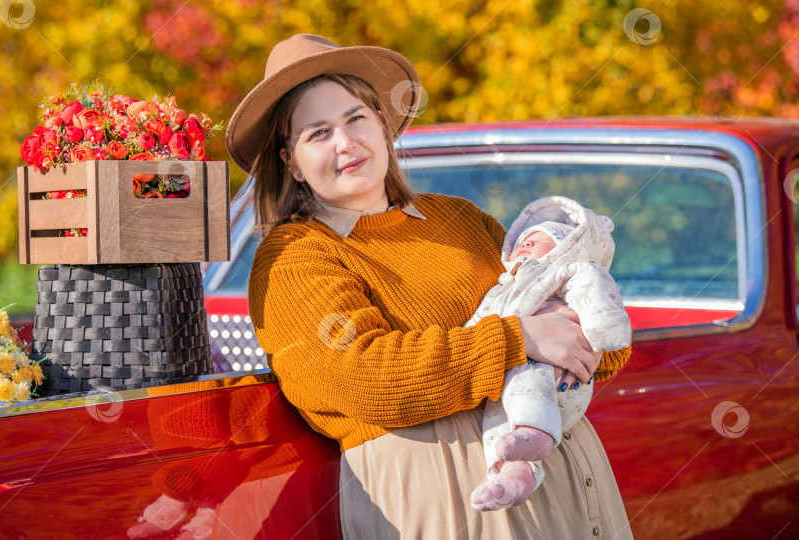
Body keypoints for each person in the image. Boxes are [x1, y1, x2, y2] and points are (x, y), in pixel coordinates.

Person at [226, 33, 634, 539]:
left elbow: (572, 319)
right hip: (445, 505)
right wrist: (517, 340)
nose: (346, 143)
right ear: (290, 161)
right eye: (318, 133)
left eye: (356, 119)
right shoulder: (295, 256)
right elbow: (355, 377)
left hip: (574, 486)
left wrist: (589, 336)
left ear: (382, 124)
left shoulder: (460, 219)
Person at [464, 196, 632, 512]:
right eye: (523, 242)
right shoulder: (503, 287)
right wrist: (472, 343)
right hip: (512, 371)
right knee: (498, 418)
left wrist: (597, 335)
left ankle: (536, 432)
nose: (526, 246)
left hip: (557, 375)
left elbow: (593, 286)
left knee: (530, 377)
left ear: (562, 249)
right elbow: (480, 322)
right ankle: (514, 474)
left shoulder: (566, 270)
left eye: (539, 241)